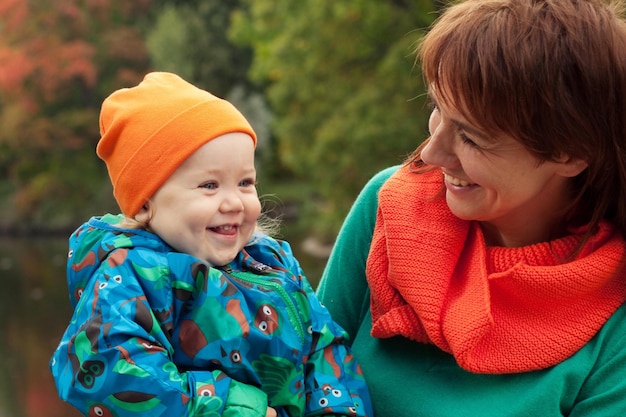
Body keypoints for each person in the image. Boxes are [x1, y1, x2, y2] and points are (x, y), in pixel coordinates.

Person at [317, 0, 626, 416]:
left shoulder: (615, 327)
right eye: (436, 109)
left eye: (471, 136)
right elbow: (299, 369)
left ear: (572, 152)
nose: (432, 152)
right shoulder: (386, 206)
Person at [50, 72, 372, 417]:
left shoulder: (274, 262)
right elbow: (109, 368)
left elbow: (325, 346)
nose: (234, 202)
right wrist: (239, 409)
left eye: (245, 182)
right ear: (145, 203)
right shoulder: (134, 273)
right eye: (209, 185)